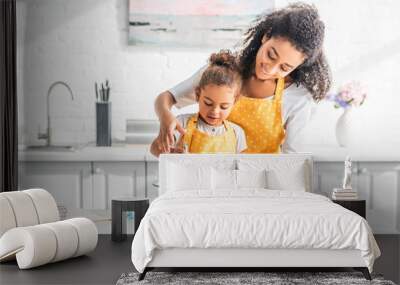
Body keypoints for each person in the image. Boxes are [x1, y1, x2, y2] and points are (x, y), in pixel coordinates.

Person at [153, 2, 331, 153]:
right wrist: (165, 117)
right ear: (266, 36)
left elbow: (292, 159)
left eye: (285, 67)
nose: (271, 68)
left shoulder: (298, 97)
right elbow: (166, 98)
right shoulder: (222, 73)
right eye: (271, 54)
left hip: (262, 187)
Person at [150, 50, 247, 157]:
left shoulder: (237, 133)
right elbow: (155, 149)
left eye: (224, 107)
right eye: (208, 103)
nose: (215, 111)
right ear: (197, 94)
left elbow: (240, 167)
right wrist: (169, 153)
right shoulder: (182, 123)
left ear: (235, 102)